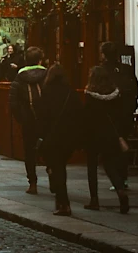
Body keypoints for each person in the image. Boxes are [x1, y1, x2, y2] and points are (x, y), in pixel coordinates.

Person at [38, 64, 83, 216]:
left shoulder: (46, 93)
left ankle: (63, 202)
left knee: (57, 169)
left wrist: (42, 135)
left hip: (52, 137)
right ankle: (60, 199)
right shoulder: (71, 93)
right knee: (60, 167)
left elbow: (42, 117)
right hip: (68, 136)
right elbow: (78, 114)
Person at [84, 65, 130, 214]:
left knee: (92, 167)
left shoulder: (90, 94)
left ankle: (94, 200)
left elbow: (87, 116)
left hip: (93, 134)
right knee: (109, 165)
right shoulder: (116, 94)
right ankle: (121, 192)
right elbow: (120, 115)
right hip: (110, 134)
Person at [100, 41, 138, 190]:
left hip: (109, 115)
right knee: (122, 143)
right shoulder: (127, 69)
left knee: (110, 148)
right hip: (125, 114)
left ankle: (117, 178)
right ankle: (122, 177)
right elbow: (136, 89)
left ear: (104, 55)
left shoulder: (102, 71)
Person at [10, 46, 47, 194]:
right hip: (46, 119)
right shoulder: (47, 74)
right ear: (40, 60)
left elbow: (13, 101)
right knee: (49, 148)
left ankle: (32, 182)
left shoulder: (20, 77)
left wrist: (21, 117)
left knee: (29, 151)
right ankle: (53, 176)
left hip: (28, 119)